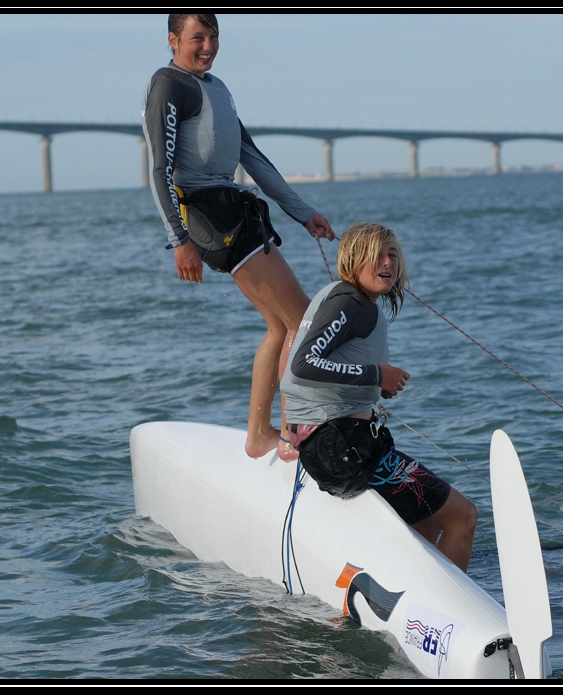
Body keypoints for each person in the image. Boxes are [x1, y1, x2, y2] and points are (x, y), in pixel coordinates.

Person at [142, 13, 336, 461]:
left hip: (236, 211)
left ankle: (260, 435)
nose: (207, 45)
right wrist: (179, 241)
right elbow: (159, 170)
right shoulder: (168, 85)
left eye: (213, 37)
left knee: (280, 324)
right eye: (197, 37)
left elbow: (253, 157)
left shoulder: (218, 87)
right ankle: (292, 437)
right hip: (213, 218)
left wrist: (303, 213)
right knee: (302, 320)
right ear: (173, 40)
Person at [279, 222, 479, 571]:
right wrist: (377, 374)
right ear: (354, 259)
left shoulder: (342, 298)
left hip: (334, 446)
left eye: (392, 254)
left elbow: (324, 366)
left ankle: (404, 593)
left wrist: (372, 386)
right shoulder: (352, 305)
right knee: (463, 516)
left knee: (428, 523)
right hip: (343, 447)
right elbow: (302, 366)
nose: (388, 263)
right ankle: (448, 617)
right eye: (377, 255)